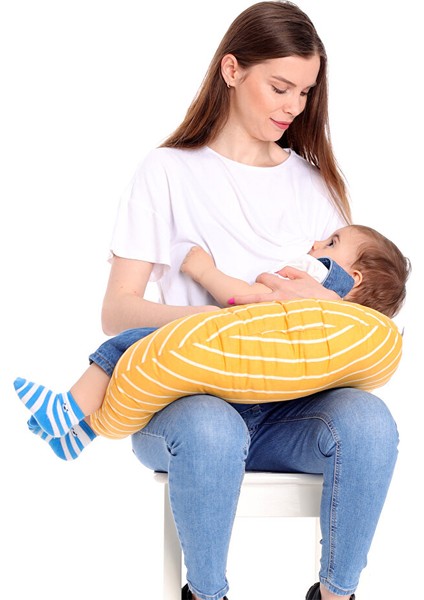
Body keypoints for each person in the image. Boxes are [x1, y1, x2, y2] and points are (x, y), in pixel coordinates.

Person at [15, 2, 405, 599]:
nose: (293, 107)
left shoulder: (315, 186)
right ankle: (207, 593)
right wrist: (214, 326)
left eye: (305, 93)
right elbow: (117, 311)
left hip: (287, 410)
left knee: (370, 423)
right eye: (280, 87)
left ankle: (338, 593)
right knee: (211, 427)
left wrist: (309, 307)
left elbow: (348, 307)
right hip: (186, 400)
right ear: (231, 70)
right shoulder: (166, 172)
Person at [13, 222, 410, 460]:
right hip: (267, 401)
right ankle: (79, 433)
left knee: (129, 344)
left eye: (331, 243)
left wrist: (204, 272)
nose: (316, 246)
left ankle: (67, 407)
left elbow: (245, 297)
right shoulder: (346, 333)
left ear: (353, 279)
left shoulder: (319, 282)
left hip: (216, 346)